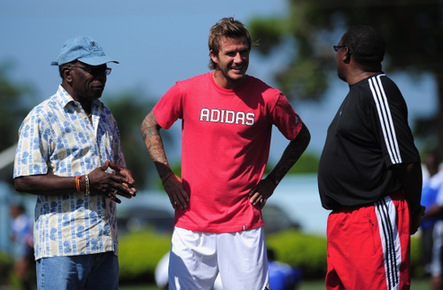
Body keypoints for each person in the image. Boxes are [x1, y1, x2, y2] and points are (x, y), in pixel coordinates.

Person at [141, 17, 310, 289]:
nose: (239, 59)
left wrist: (272, 181)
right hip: (191, 223)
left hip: (244, 224)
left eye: (244, 52)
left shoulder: (269, 98)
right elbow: (150, 124)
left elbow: (301, 136)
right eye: (231, 53)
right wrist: (166, 177)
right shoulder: (186, 90)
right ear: (213, 55)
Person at [13, 36, 137, 289]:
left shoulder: (106, 115)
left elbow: (112, 168)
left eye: (104, 71)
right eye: (92, 71)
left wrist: (122, 179)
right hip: (63, 247)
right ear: (67, 73)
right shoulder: (42, 116)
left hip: (104, 244)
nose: (101, 78)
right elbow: (24, 179)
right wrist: (84, 183)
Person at [317, 25, 424, 290]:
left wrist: (411, 211)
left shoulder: (378, 90)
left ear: (346, 53)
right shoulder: (357, 95)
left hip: (373, 218)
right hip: (345, 221)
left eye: (337, 48)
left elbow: (406, 160)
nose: (336, 55)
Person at [421, 152, 443, 290]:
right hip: (427, 228)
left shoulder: (441, 179)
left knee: (437, 266)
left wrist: (422, 215)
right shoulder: (427, 181)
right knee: (431, 265)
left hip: (437, 227)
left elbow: (440, 204)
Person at [9, 203, 34, 290]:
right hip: (18, 249)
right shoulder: (13, 221)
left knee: (21, 270)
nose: (11, 211)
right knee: (19, 272)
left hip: (26, 249)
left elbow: (31, 231)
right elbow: (14, 235)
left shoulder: (26, 219)